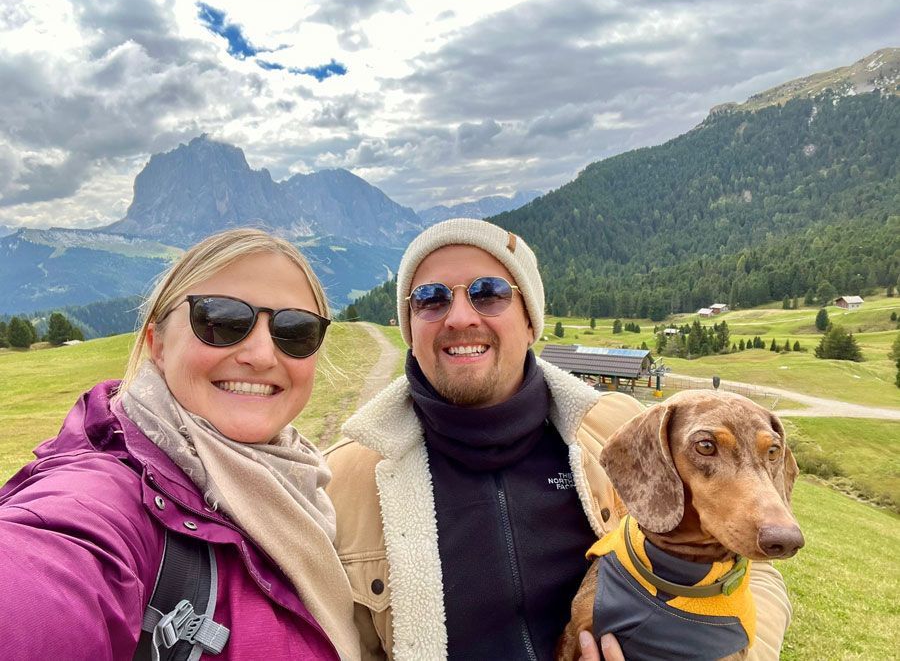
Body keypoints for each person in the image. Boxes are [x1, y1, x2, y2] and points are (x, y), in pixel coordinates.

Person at [325, 218, 792, 660]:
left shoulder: (619, 430)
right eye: (430, 298)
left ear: (531, 320)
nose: (459, 317)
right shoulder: (337, 484)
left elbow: (756, 566)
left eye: (489, 293)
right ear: (410, 328)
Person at [0, 229, 359, 660]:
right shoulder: (103, 497)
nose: (262, 356)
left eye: (295, 330)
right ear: (158, 345)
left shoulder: (302, 483)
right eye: (221, 322)